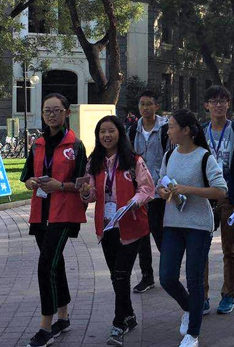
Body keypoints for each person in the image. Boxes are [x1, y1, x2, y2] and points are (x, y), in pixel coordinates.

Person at [79, 115, 155, 346]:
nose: (106, 135)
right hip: (107, 227)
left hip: (131, 226)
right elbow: (91, 194)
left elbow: (147, 188)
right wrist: (85, 192)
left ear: (120, 133)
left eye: (111, 130)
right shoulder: (94, 162)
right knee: (116, 276)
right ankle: (129, 315)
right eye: (102, 131)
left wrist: (134, 201)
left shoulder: (133, 161)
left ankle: (118, 324)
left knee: (121, 274)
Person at [20, 93, 88, 347]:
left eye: (56, 110)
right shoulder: (37, 144)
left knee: (45, 265)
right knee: (55, 264)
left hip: (65, 213)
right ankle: (63, 317)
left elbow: (83, 184)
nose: (51, 115)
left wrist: (60, 186)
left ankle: (45, 327)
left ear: (67, 113)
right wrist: (31, 182)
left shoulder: (76, 146)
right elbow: (27, 176)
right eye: (47, 110)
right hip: (41, 213)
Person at [157, 109, 227, 347]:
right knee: (167, 277)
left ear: (185, 130)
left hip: (198, 226)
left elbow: (221, 191)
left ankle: (192, 334)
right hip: (172, 224)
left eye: (171, 127)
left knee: (194, 279)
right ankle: (189, 308)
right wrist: (163, 191)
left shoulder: (204, 157)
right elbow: (161, 181)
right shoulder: (169, 155)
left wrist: (188, 190)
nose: (168, 131)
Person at [201, 85, 234, 315]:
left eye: (223, 100)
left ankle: (228, 295)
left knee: (228, 249)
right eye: (214, 101)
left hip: (229, 198)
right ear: (207, 105)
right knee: (201, 247)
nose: (218, 105)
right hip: (205, 198)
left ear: (228, 104)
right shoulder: (201, 132)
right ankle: (202, 296)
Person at [127, 90, 171, 294]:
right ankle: (147, 276)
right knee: (142, 235)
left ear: (156, 106)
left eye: (149, 104)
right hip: (139, 192)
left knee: (158, 232)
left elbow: (171, 157)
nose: (145, 108)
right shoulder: (132, 130)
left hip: (159, 191)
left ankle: (168, 274)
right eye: (142, 104)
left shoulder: (165, 129)